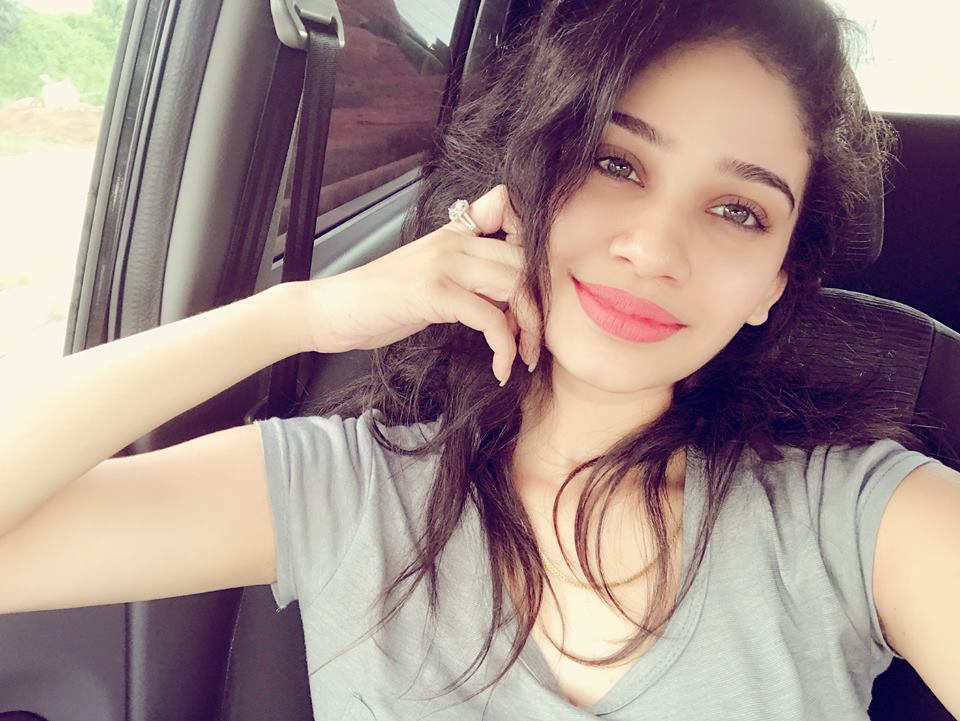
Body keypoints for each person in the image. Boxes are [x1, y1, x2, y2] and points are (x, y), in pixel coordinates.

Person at [1, 0, 957, 718]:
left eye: (738, 210)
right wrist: (302, 313)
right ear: (524, 179)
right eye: (615, 162)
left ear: (773, 285)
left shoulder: (860, 519)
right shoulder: (348, 493)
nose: (654, 248)